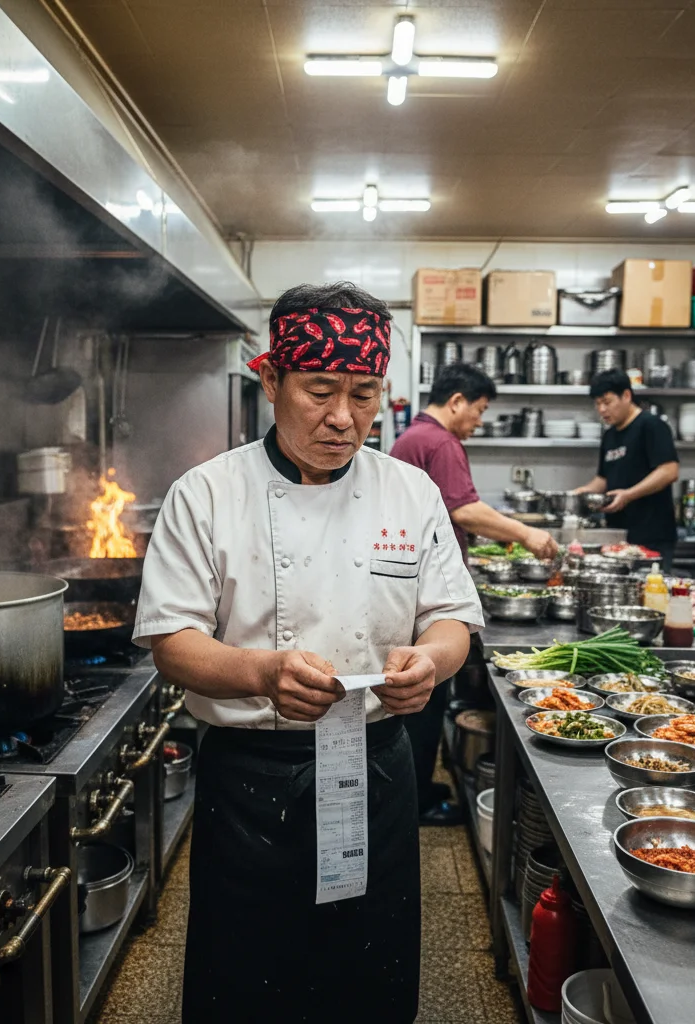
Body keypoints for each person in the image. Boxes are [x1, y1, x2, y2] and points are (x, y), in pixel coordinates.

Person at [133, 282, 483, 1023]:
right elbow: (172, 642)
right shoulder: (206, 494)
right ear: (270, 380)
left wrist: (432, 662)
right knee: (249, 979)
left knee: (368, 973)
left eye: (364, 394)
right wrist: (260, 672)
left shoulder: (410, 492)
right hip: (251, 776)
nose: (343, 417)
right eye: (320, 391)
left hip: (377, 765)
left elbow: (452, 620)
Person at [390, 362, 558, 825]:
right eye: (479, 410)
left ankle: (415, 790)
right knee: (426, 699)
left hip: (408, 583)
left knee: (415, 698)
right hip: (426, 592)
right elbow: (463, 509)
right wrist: (527, 534)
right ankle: (417, 802)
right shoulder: (440, 441)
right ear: (457, 401)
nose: (479, 421)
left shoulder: (413, 437)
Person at [574, 368, 680, 570]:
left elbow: (669, 471)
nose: (602, 410)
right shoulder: (610, 435)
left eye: (607, 402)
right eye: (597, 404)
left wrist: (628, 495)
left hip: (652, 536)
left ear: (626, 395)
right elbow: (603, 479)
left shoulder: (651, 426)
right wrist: (579, 494)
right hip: (619, 535)